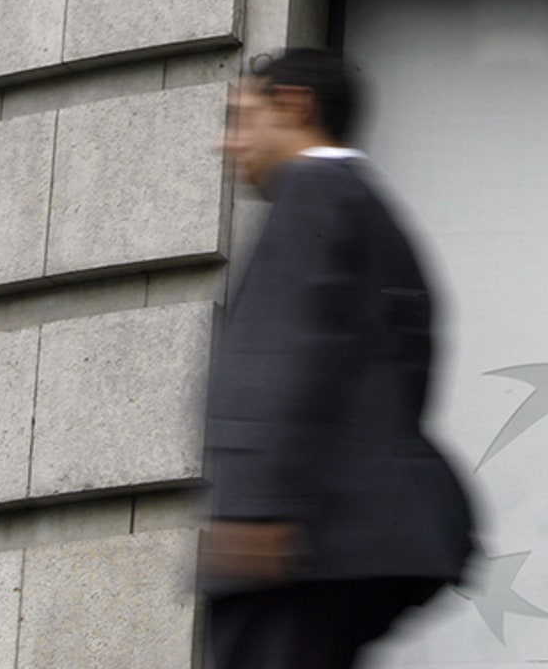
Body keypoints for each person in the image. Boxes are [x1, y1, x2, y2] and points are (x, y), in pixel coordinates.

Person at [200, 48, 475, 668]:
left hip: (299, 544)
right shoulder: (366, 208)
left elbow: (280, 357)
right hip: (359, 536)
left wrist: (251, 512)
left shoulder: (313, 198)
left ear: (295, 105)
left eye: (241, 117)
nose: (226, 143)